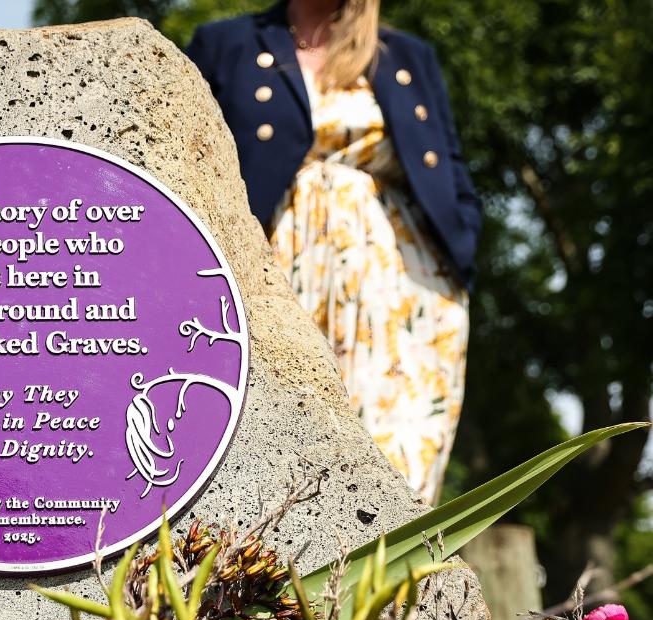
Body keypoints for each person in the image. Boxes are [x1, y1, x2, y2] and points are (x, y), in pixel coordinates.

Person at [186, 0, 481, 504]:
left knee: (394, 448)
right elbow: (189, 159)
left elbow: (448, 164)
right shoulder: (226, 44)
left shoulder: (407, 55)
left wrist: (467, 238)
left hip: (399, 283)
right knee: (267, 433)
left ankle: (379, 574)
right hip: (268, 265)